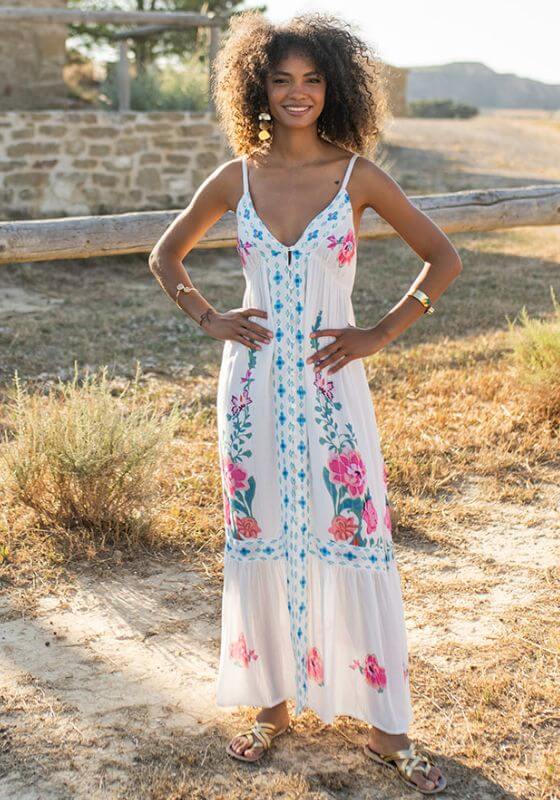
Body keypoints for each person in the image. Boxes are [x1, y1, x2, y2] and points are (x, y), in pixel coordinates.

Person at [149, 11, 462, 795]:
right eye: (282, 78)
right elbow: (165, 255)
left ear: (334, 87)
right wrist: (210, 317)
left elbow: (443, 259)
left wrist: (379, 333)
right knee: (262, 536)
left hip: (333, 391)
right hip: (250, 391)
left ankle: (387, 729)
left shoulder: (359, 178)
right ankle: (272, 706)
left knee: (353, 535)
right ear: (257, 87)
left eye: (312, 79)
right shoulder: (236, 178)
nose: (298, 92)